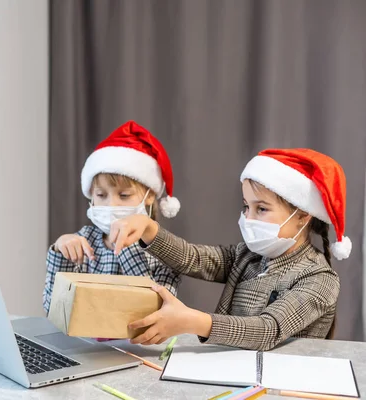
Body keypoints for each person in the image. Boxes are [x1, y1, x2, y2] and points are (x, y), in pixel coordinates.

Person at [111, 148, 351, 351]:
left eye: (262, 209)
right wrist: (149, 229)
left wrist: (192, 321)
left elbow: (268, 329)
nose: (248, 218)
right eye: (246, 207)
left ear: (302, 216)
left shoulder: (319, 279)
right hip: (234, 373)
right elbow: (194, 259)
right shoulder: (247, 256)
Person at [43, 120, 182, 314]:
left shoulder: (164, 253)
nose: (111, 205)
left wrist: (126, 246)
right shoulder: (85, 241)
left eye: (124, 196)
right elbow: (54, 310)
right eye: (101, 195)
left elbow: (155, 312)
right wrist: (61, 251)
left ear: (149, 196)